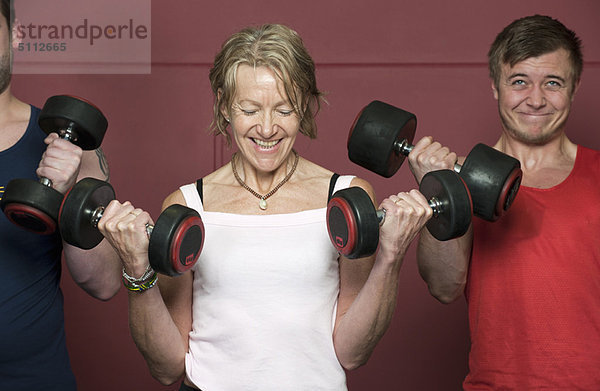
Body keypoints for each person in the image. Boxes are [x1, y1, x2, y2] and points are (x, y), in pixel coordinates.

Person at [98, 23, 433, 390]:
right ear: (225, 106)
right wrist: (136, 270)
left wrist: (391, 255)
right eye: (250, 109)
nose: (268, 128)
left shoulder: (345, 199)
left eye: (285, 109)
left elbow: (352, 352)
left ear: (305, 106)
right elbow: (166, 367)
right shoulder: (189, 206)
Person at [413, 14, 600, 389]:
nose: (535, 99)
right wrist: (441, 189)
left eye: (552, 83)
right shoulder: (459, 181)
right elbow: (444, 287)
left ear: (575, 86)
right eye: (519, 82)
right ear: (496, 86)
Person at [0, 1, 122, 389]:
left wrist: (69, 192)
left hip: (34, 378)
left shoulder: (69, 148)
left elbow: (103, 283)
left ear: (15, 35)